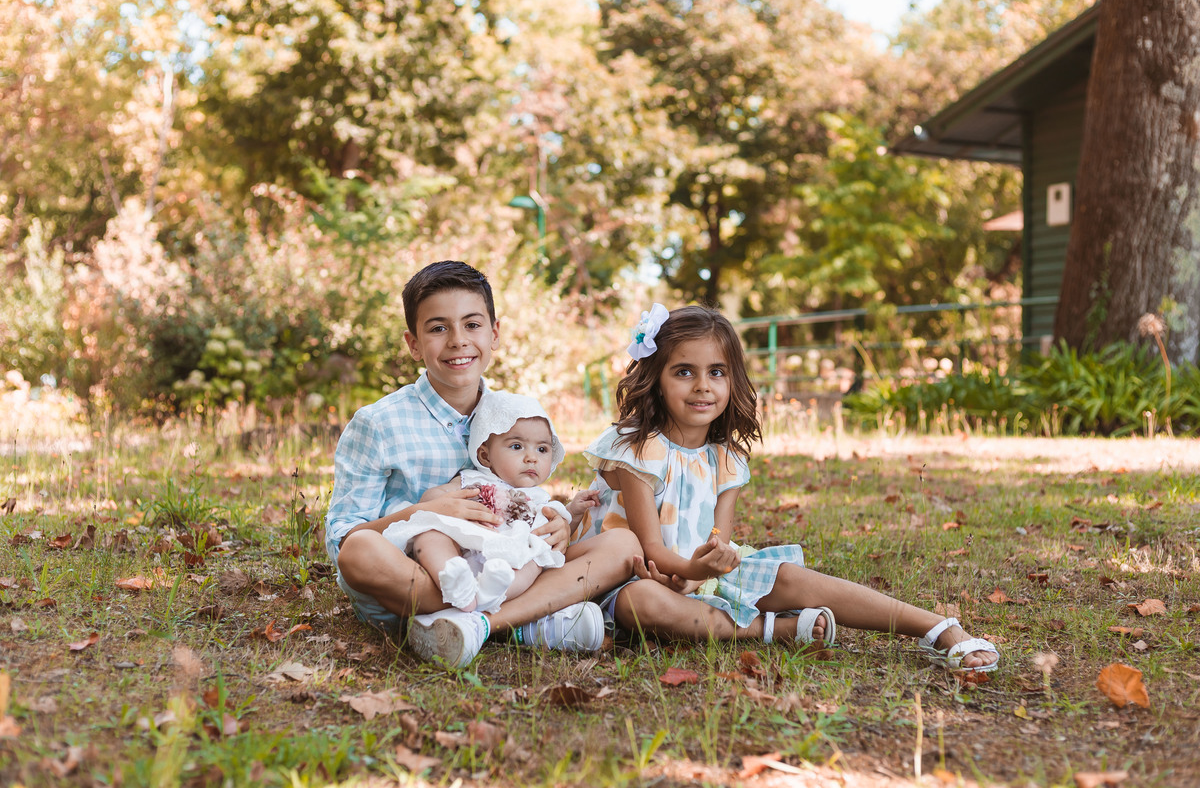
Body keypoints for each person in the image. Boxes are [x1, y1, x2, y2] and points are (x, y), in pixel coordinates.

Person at [572, 303, 1000, 673]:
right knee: (644, 603)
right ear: (656, 378)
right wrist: (691, 572)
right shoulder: (636, 448)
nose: (702, 385)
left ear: (733, 380)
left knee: (791, 577)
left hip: (697, 578)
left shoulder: (726, 458)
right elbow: (650, 548)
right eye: (684, 371)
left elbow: (718, 539)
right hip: (632, 576)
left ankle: (936, 626)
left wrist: (710, 567)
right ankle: (772, 629)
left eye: (716, 372)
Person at [325, 260, 640, 669]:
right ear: (414, 344)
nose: (458, 340)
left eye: (472, 325)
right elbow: (342, 540)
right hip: (418, 579)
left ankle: (481, 624)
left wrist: (560, 525)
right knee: (359, 551)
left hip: (509, 563)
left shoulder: (516, 415)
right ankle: (515, 619)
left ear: (494, 334)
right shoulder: (379, 423)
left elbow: (529, 494)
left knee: (622, 544)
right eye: (438, 328)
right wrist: (427, 511)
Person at [382, 391, 599, 614]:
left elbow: (554, 533)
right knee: (429, 535)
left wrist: (573, 512)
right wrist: (439, 502)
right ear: (485, 456)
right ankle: (453, 578)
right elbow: (433, 499)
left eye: (542, 449)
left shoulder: (539, 498)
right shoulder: (472, 480)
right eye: (517, 446)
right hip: (464, 545)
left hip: (509, 558)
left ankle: (490, 596)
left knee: (536, 559)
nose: (532, 458)